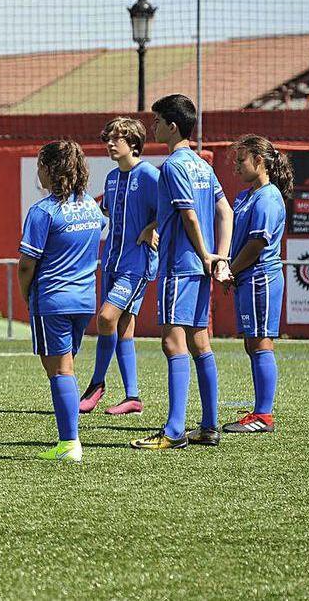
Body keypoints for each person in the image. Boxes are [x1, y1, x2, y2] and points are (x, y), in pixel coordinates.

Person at [131, 94, 233, 451]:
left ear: (173, 126)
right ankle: (209, 426)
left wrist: (205, 254)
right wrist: (220, 256)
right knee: (200, 343)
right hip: (200, 269)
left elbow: (189, 215)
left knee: (172, 343)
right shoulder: (203, 166)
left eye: (157, 120)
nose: (153, 126)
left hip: (179, 267)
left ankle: (174, 431)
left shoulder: (173, 166)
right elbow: (225, 210)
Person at [18, 140, 104, 463]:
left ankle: (70, 442)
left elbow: (27, 264)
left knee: (59, 369)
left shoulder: (43, 211)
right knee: (63, 367)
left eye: (41, 164)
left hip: (52, 299)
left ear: (51, 169)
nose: (38, 171)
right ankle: (68, 438)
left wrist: (27, 294)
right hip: (83, 300)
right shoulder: (92, 209)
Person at [79, 117, 158, 416]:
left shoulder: (149, 174)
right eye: (108, 138)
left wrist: (152, 226)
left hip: (136, 265)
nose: (110, 143)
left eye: (117, 138)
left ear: (134, 143)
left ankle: (96, 385)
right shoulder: (112, 178)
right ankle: (133, 397)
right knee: (123, 327)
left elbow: (175, 208)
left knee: (106, 318)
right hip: (111, 262)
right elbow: (106, 214)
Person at [218, 134, 291, 434]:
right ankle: (260, 410)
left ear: (259, 161)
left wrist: (231, 269)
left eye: (241, 161)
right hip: (247, 278)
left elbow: (258, 243)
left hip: (261, 277)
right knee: (253, 344)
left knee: (261, 343)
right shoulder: (248, 196)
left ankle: (264, 416)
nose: (236, 167)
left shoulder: (268, 197)